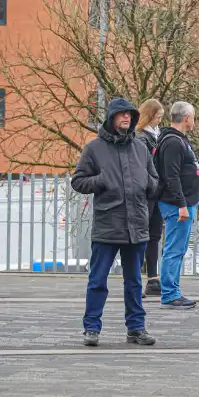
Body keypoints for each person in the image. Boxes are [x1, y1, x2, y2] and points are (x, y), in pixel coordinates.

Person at [72, 98, 159, 347]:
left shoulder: (141, 148)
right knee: (98, 280)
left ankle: (136, 328)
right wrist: (101, 181)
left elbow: (154, 180)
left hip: (136, 225)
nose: (126, 119)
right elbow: (78, 181)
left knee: (134, 282)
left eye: (130, 115)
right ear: (111, 118)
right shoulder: (94, 148)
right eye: (121, 115)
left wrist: (147, 184)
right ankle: (91, 327)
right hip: (107, 225)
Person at [154, 101, 199, 309]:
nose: (194, 121)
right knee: (174, 248)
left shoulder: (177, 140)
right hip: (177, 205)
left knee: (178, 248)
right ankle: (170, 293)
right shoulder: (173, 142)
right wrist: (181, 204)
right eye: (193, 117)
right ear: (186, 118)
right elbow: (171, 176)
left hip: (182, 203)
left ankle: (173, 290)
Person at [135, 98, 164, 297]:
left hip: (156, 192)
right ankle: (136, 278)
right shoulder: (140, 137)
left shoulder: (157, 135)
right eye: (157, 117)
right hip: (146, 194)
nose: (159, 121)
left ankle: (153, 278)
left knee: (154, 236)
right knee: (141, 237)